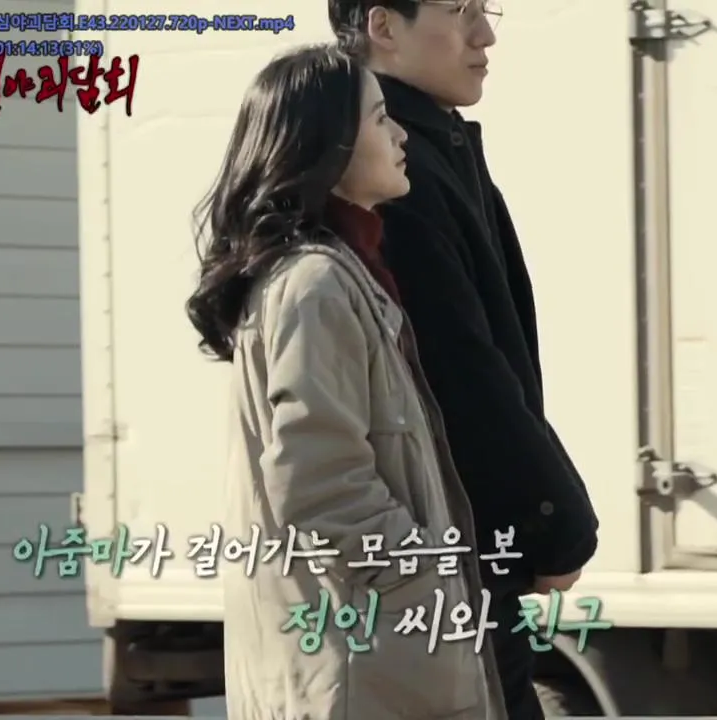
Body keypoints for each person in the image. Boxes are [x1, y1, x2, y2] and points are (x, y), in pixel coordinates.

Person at [184, 43, 505, 720]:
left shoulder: (334, 273)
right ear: (328, 147)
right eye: (381, 118)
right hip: (364, 672)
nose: (400, 135)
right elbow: (320, 484)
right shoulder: (316, 283)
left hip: (368, 665)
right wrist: (425, 581)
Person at [328, 2, 601, 717]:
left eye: (487, 10)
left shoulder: (436, 150)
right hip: (445, 563)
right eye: (460, 11)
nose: (485, 34)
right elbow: (461, 370)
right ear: (384, 27)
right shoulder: (395, 175)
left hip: (462, 557)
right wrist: (553, 517)